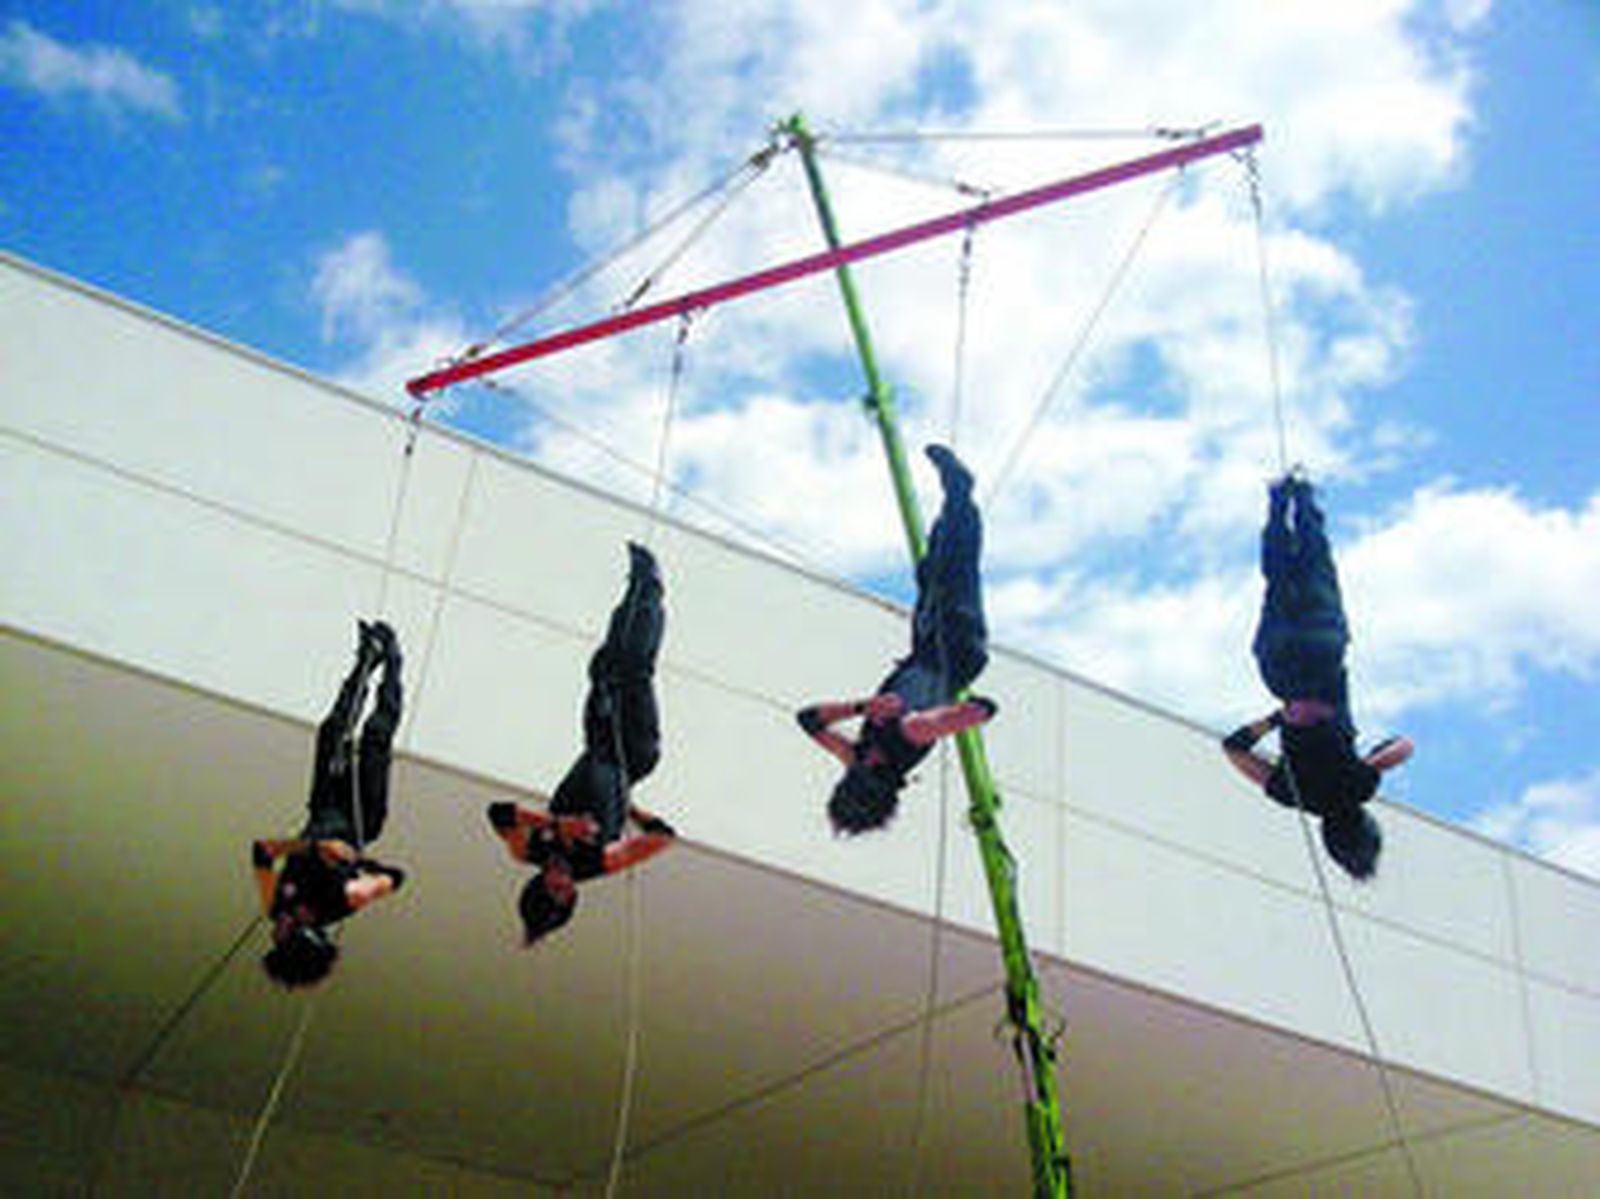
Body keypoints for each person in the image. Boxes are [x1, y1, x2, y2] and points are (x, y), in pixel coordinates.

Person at [796, 445, 999, 835]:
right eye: (865, 769)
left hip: (924, 647)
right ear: (876, 779)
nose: (863, 761)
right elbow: (966, 714)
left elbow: (807, 720)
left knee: (930, 570)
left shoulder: (856, 754)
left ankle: (953, 504)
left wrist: (862, 706)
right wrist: (965, 714)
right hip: (954, 646)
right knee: (955, 567)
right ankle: (960, 490)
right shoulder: (907, 737)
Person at [1221, 473, 1412, 880]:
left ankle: (1303, 498)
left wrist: (1372, 760)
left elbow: (1403, 747)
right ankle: (1277, 501)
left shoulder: (1360, 785)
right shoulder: (1293, 795)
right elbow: (1234, 748)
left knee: (1315, 568)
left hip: (1322, 652)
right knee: (1279, 578)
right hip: (1280, 666)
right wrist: (1279, 717)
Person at [488, 542, 677, 946]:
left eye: (553, 888)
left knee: (605, 666)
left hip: (597, 742)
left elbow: (499, 813)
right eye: (567, 893)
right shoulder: (599, 862)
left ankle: (636, 587)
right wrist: (632, 809)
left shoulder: (528, 851)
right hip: (635, 752)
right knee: (636, 670)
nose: (564, 883)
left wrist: (556, 824)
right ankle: (653, 589)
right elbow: (663, 838)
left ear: (538, 883)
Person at [252, 620, 407, 987]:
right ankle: (395, 661)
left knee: (333, 731)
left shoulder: (276, 905)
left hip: (322, 807)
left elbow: (261, 853)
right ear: (307, 933)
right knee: (375, 737)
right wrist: (360, 864)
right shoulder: (343, 900)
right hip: (360, 816)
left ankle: (367, 657)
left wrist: (311, 845)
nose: (275, 932)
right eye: (282, 938)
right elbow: (395, 879)